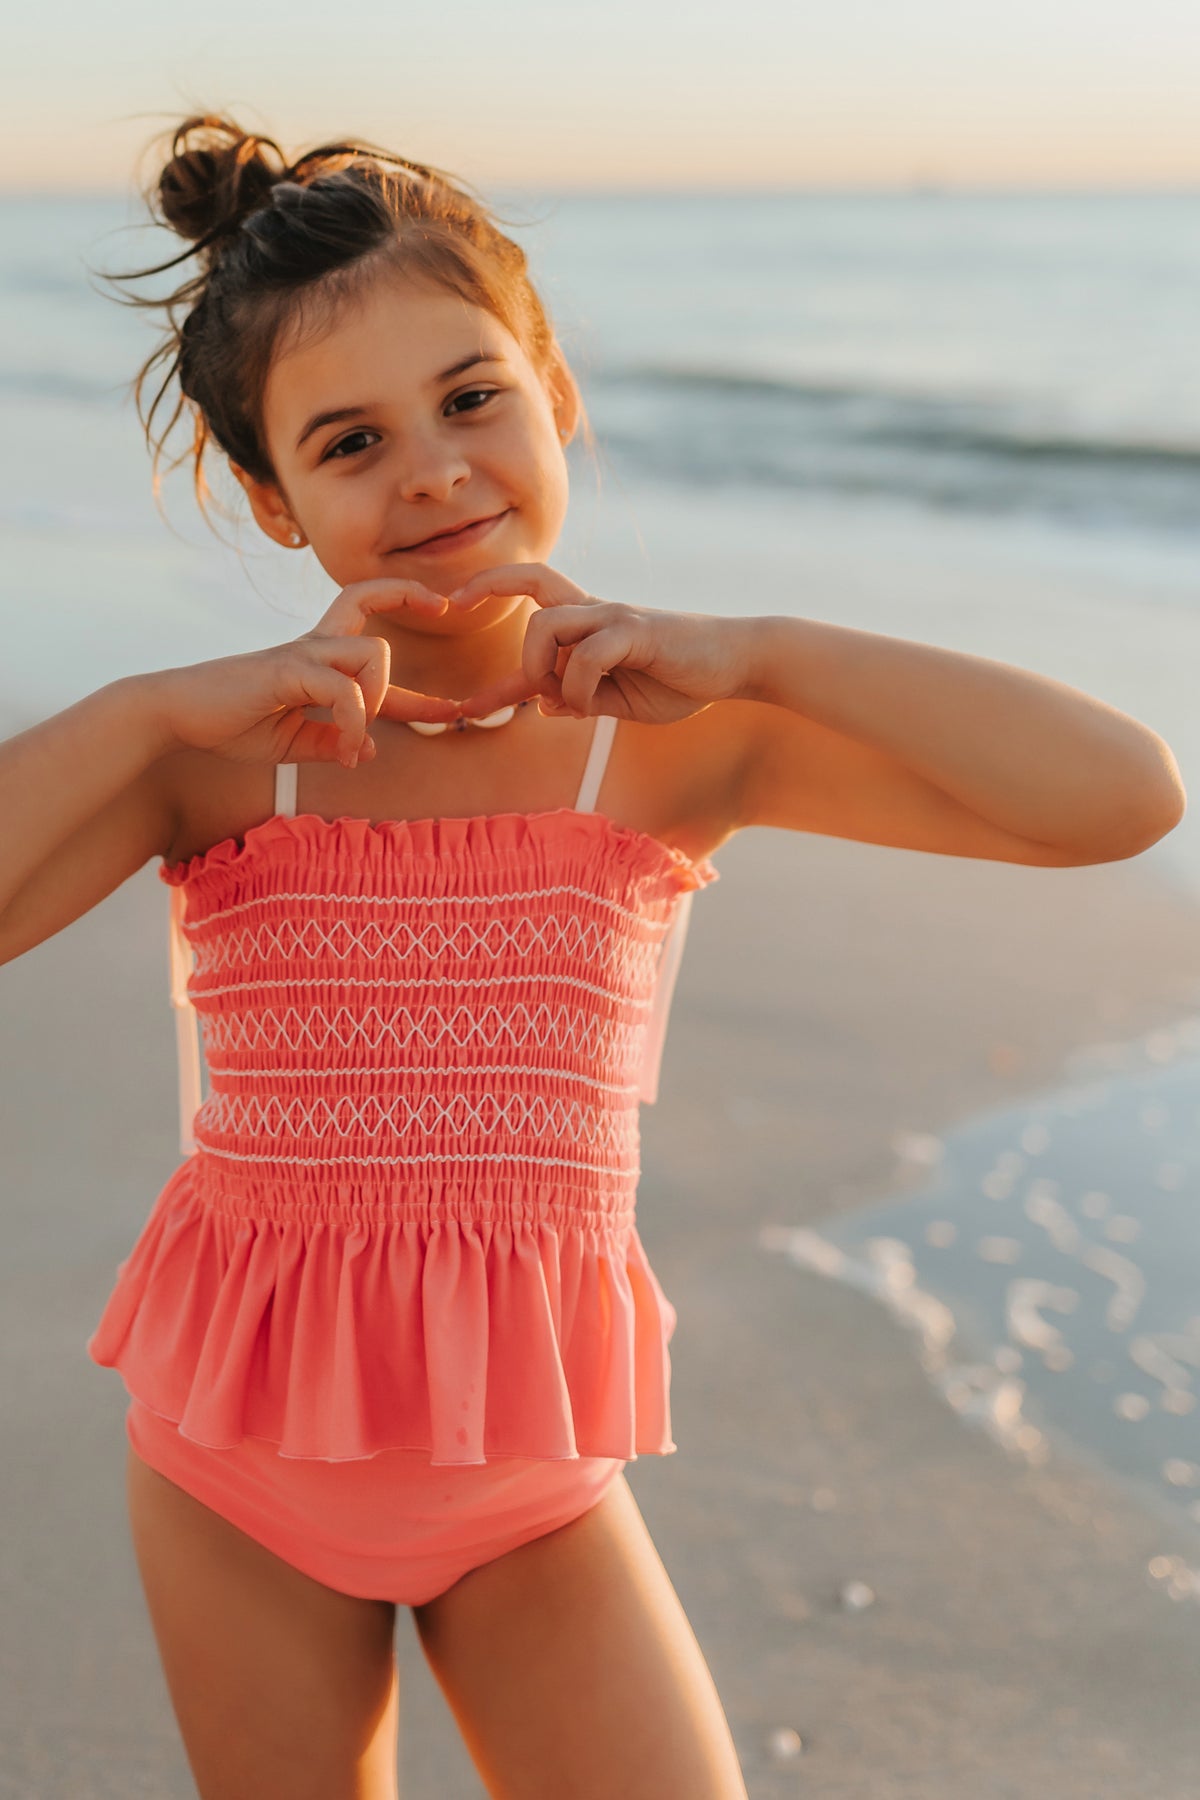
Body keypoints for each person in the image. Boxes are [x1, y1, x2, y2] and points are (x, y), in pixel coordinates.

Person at [0, 114, 1185, 1800]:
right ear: (273, 502)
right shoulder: (224, 755)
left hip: (532, 1483)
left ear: (555, 389)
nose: (430, 470)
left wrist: (763, 648)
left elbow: (1120, 798)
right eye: (350, 440)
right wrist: (134, 714)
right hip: (232, 1469)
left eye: (472, 397)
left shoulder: (674, 745)